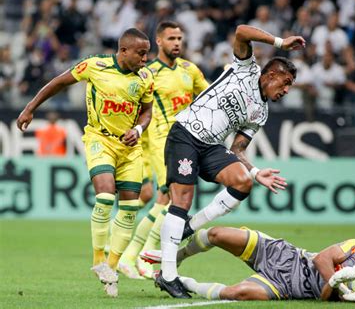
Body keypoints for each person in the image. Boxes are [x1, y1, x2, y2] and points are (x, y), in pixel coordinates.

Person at [156, 24, 306, 298]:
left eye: (290, 87)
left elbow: (238, 149)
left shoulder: (261, 113)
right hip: (187, 133)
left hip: (211, 146)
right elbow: (240, 31)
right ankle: (168, 275)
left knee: (243, 182)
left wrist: (256, 172)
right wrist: (281, 42)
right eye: (285, 83)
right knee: (182, 199)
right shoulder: (246, 69)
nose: (286, 91)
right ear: (271, 74)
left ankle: (191, 226)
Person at [16, 28, 155, 297]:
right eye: (141, 53)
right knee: (104, 196)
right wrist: (30, 107)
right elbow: (59, 82)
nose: (145, 59)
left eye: (147, 53)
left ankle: (111, 269)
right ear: (123, 51)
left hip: (130, 148)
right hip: (99, 139)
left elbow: (147, 110)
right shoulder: (95, 65)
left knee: (128, 208)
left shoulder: (146, 77)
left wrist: (138, 130)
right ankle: (97, 261)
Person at [118, 21, 209, 279]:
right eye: (171, 38)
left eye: (180, 38)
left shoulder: (190, 70)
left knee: (164, 199)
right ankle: (141, 254)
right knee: (168, 197)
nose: (177, 43)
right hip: (160, 141)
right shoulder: (149, 72)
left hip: (186, 141)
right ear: (159, 41)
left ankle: (131, 256)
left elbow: (209, 95)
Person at [141, 226, 355, 303]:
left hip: (287, 286)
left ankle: (176, 281)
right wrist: (339, 279)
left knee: (237, 293)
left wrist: (335, 284)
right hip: (285, 256)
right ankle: (172, 259)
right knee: (217, 235)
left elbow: (323, 297)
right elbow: (321, 258)